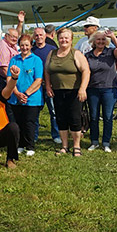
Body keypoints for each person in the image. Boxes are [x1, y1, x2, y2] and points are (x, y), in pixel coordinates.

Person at [45, 27, 90, 157]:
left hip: (74, 92)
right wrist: (48, 86)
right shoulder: (52, 54)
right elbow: (47, 70)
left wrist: (82, 88)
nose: (63, 40)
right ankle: (64, 146)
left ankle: (76, 146)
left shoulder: (76, 54)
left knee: (75, 118)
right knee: (61, 118)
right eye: (61, 38)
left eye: (66, 38)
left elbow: (86, 71)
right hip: (57, 91)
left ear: (71, 40)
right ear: (57, 39)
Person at [85, 29, 117, 152]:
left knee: (108, 117)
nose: (101, 42)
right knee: (93, 116)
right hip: (92, 89)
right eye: (98, 39)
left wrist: (113, 37)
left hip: (109, 89)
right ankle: (94, 141)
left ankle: (106, 142)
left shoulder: (111, 52)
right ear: (94, 41)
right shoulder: (88, 55)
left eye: (103, 39)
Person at [8, 34, 44, 157]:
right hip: (15, 97)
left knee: (29, 122)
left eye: (27, 45)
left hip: (32, 98)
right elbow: (9, 78)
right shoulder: (14, 59)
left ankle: (30, 146)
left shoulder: (36, 60)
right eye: (22, 45)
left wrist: (26, 94)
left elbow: (38, 80)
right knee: (18, 122)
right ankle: (20, 145)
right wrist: (17, 93)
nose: (24, 48)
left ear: (31, 46)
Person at [31, 26, 59, 143]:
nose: (39, 37)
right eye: (36, 35)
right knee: (35, 111)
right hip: (36, 85)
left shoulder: (52, 49)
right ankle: (34, 136)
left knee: (53, 111)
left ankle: (56, 135)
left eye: (41, 35)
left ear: (45, 36)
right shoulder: (31, 50)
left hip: (50, 85)